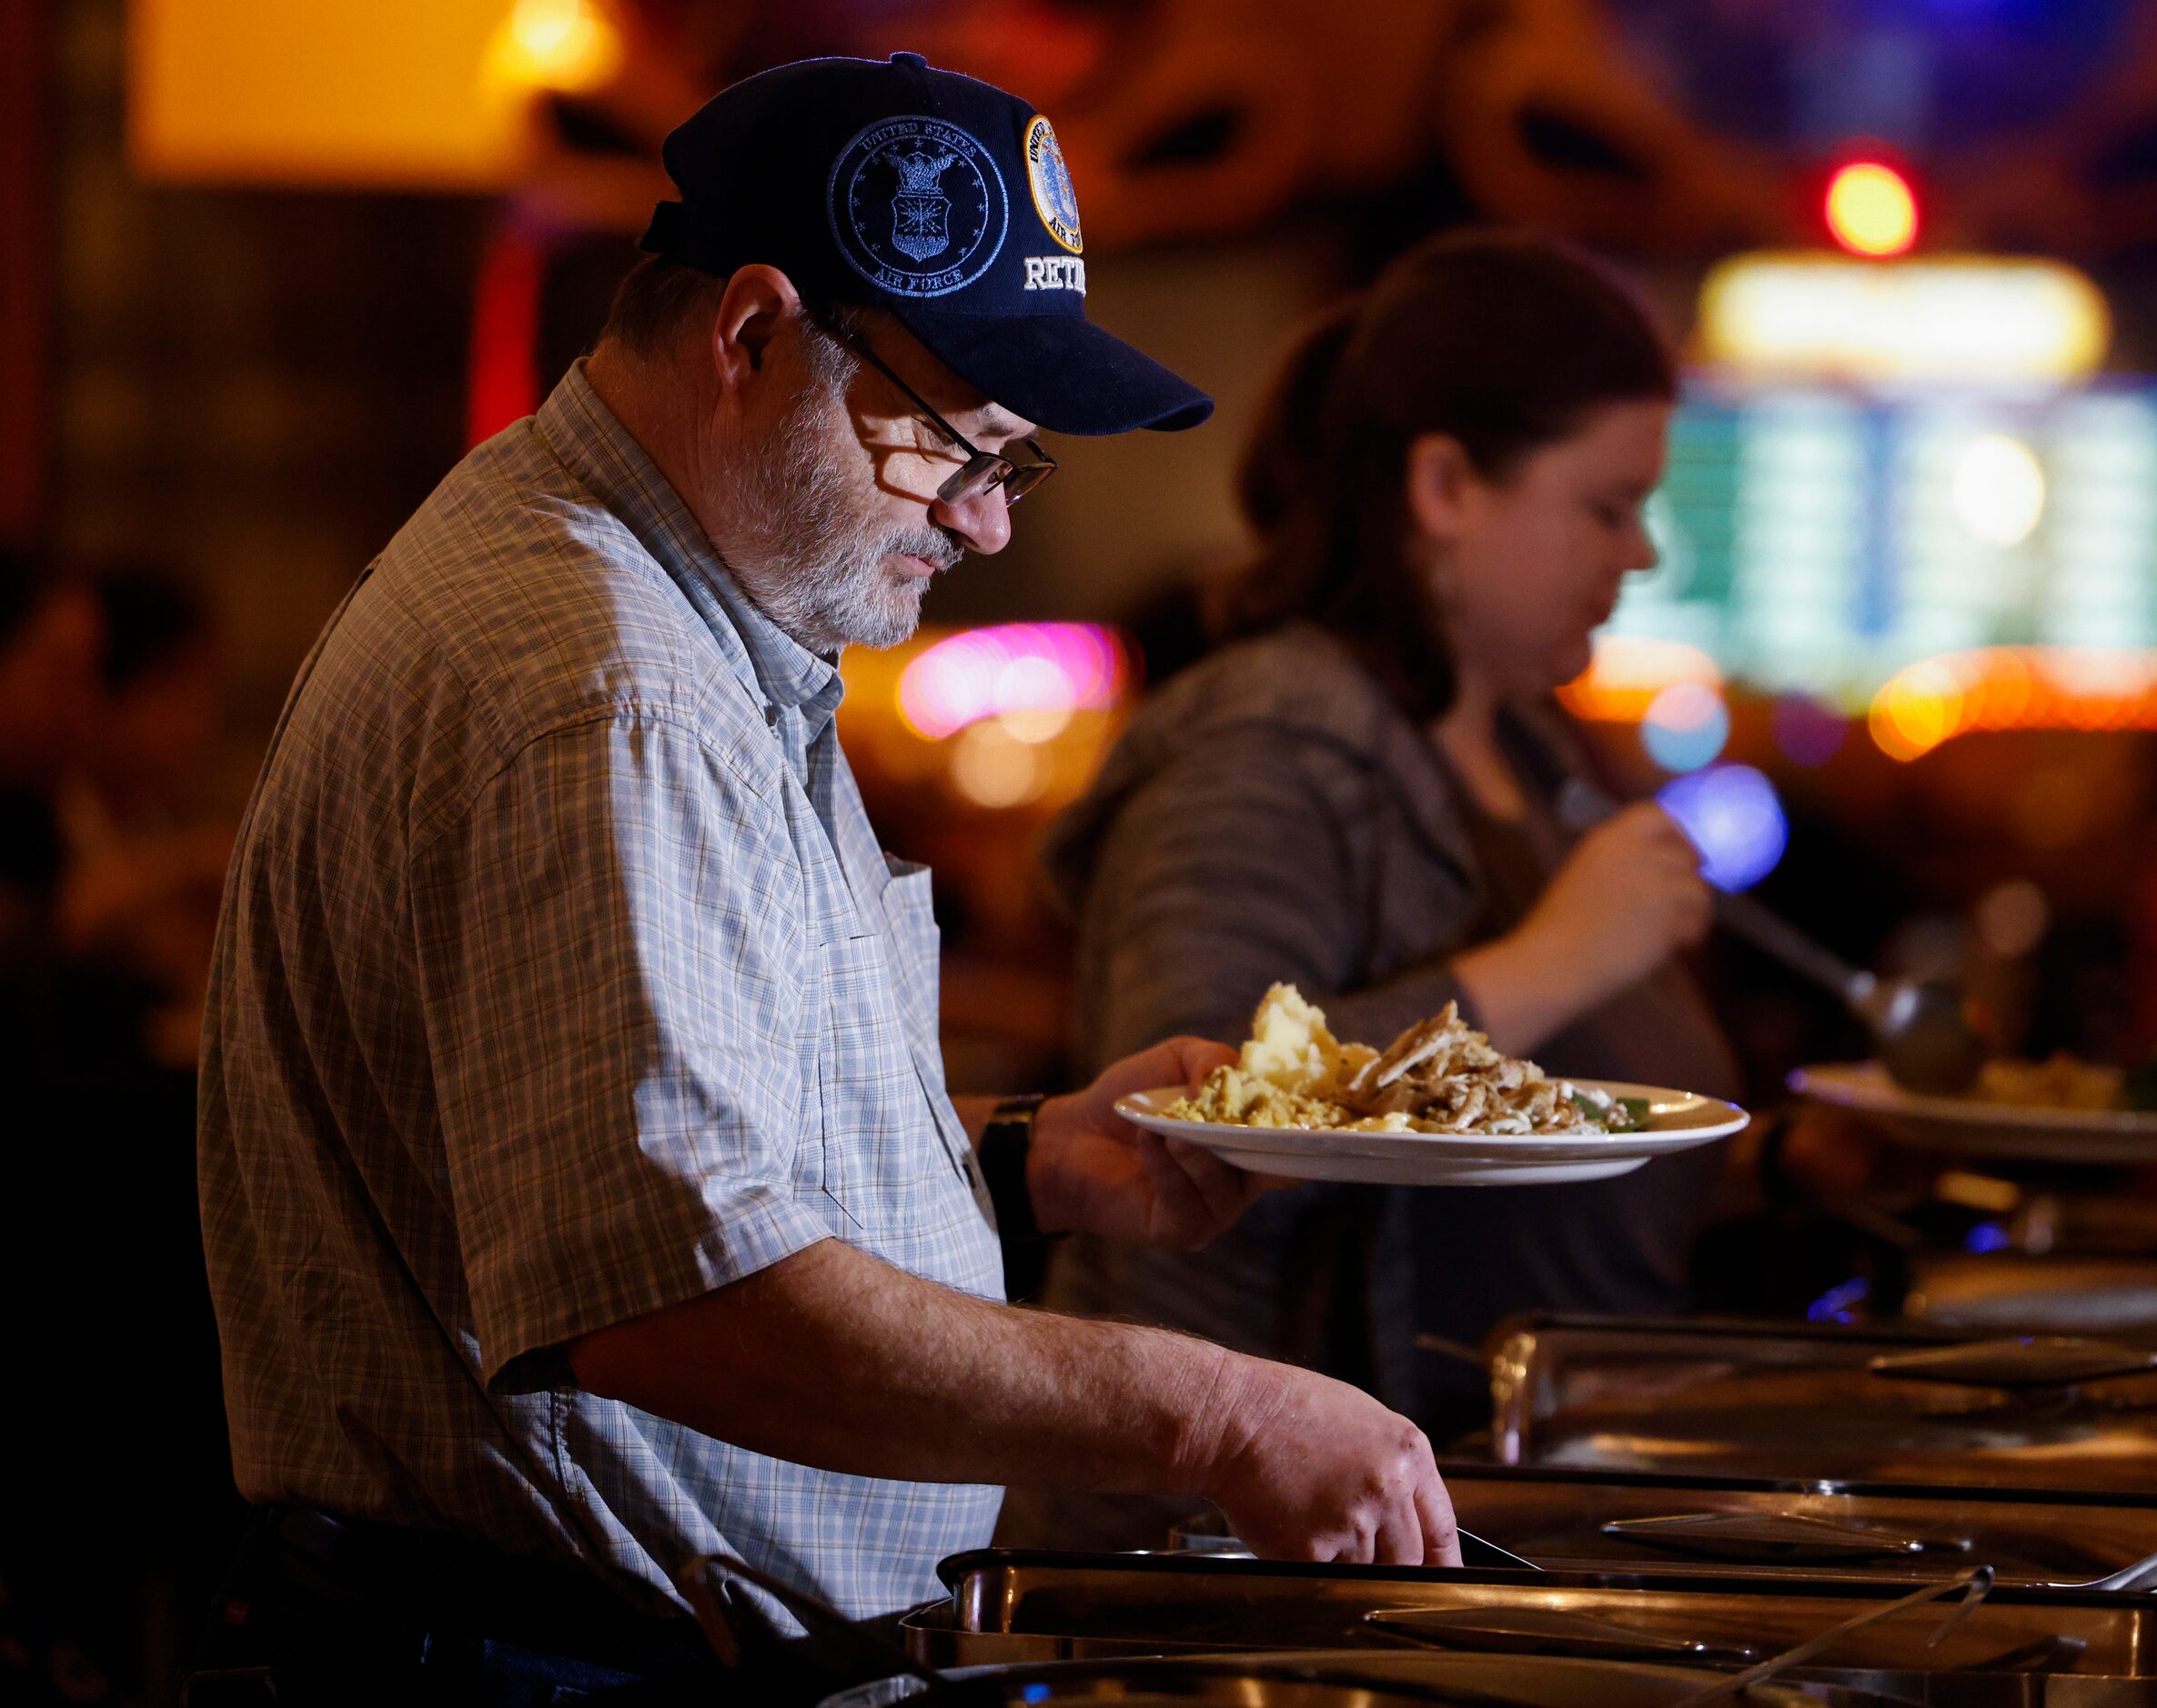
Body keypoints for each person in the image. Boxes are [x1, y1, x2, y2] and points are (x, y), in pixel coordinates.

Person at [193, 55, 1455, 1705]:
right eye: (960, 448)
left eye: (1019, 463)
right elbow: (677, 1301)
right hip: (541, 1666)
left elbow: (648, 1161)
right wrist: (1216, 1412)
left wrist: (1025, 1160)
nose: (990, 525)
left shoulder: (679, 606)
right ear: (752, 334)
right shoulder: (610, 682)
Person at [1033, 232, 1850, 1527]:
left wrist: (1795, 1168)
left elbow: (1557, 1131)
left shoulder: (1531, 742)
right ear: (1445, 483)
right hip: (1295, 1537)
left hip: (1537, 1478)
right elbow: (1173, 1137)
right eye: (1605, 504)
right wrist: (1554, 959)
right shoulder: (1270, 736)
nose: (1638, 552)